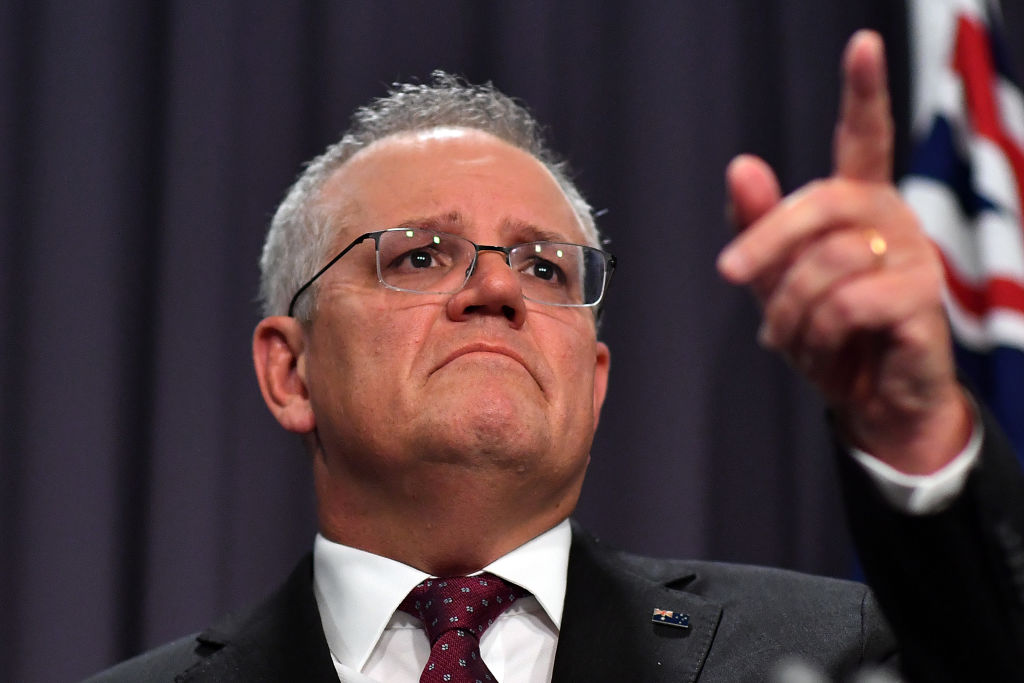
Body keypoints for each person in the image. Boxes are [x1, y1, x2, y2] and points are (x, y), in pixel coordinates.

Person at [85, 30, 1023, 682]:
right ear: (290, 372)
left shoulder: (835, 650)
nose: (496, 290)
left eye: (544, 265)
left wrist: (917, 430)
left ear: (596, 377)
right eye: (420, 254)